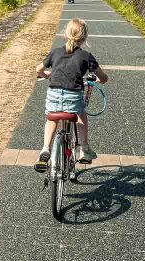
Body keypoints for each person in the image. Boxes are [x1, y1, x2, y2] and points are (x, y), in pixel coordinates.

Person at [35, 18, 109, 170]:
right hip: (74, 97)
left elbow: (38, 70)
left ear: (65, 34)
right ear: (84, 38)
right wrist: (99, 80)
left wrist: (48, 75)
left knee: (51, 118)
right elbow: (103, 77)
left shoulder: (55, 52)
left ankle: (45, 149)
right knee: (81, 115)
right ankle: (84, 149)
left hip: (54, 95)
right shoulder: (86, 56)